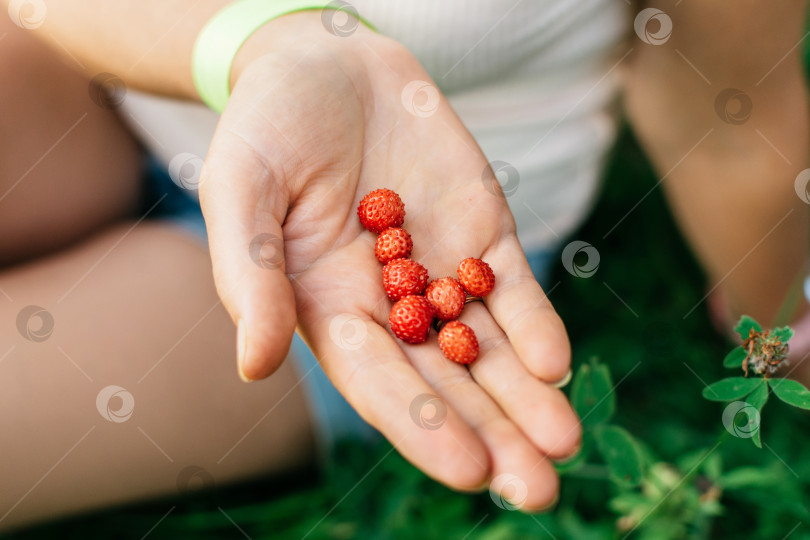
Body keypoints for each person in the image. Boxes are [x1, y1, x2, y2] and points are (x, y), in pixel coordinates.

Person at [1, 0, 807, 531]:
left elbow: (731, 119)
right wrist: (266, 45)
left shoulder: (413, 273)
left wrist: (780, 320)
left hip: (364, 259)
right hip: (105, 84)